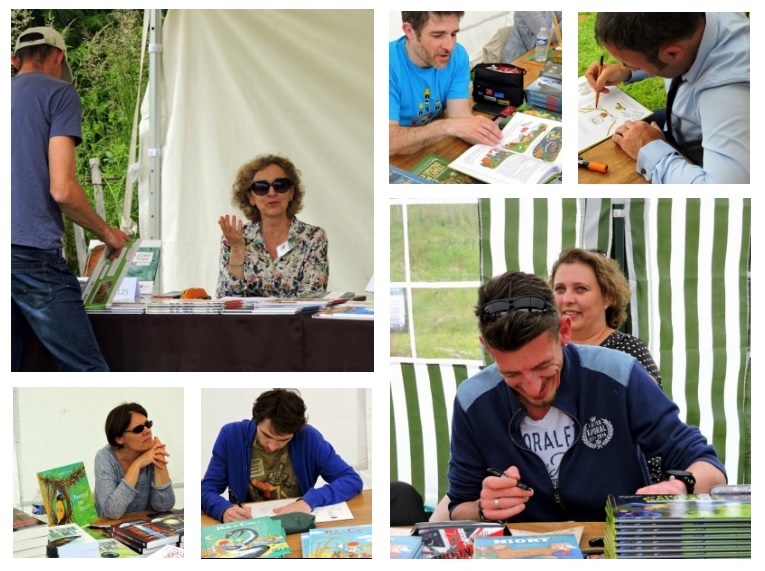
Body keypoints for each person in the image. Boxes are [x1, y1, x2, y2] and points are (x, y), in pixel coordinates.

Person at [446, 271, 726, 523]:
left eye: (543, 367)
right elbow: (458, 506)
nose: (532, 387)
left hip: (615, 547)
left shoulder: (619, 374)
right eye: (511, 375)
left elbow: (708, 466)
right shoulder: (473, 400)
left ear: (564, 331)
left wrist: (679, 486)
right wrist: (485, 508)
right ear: (486, 348)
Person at [11, 27, 130, 371]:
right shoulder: (60, 93)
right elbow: (62, 189)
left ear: (15, 60)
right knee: (88, 371)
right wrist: (108, 233)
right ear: (59, 56)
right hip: (30, 251)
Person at [585, 13, 749, 184]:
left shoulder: (730, 96)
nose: (626, 66)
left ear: (672, 54)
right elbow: (673, 60)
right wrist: (628, 71)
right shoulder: (697, 24)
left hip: (700, 155)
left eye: (631, 64)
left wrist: (651, 150)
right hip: (679, 121)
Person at [550, 247, 663, 483]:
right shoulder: (543, 353)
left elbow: (657, 428)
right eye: (560, 288)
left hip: (622, 488)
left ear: (608, 297)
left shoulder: (629, 351)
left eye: (580, 288)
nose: (567, 298)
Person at [201, 389, 363, 523]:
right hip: (248, 524)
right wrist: (223, 509)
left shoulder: (308, 437)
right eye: (266, 435)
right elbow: (206, 489)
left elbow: (351, 480)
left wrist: (310, 500)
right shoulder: (231, 436)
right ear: (256, 420)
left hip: (295, 524)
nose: (272, 446)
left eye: (283, 440)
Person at [389, 11, 502, 156]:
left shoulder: (458, 56)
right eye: (437, 35)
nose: (450, 46)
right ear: (410, 31)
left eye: (453, 34)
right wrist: (446, 126)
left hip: (431, 146)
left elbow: (460, 117)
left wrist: (501, 143)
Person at [216, 154, 328, 298]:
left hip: (295, 321)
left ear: (291, 193)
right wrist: (237, 250)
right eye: (261, 188)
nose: (272, 193)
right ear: (251, 198)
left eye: (280, 186)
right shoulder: (235, 238)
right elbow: (226, 301)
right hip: (246, 321)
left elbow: (312, 298)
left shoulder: (313, 238)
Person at [94, 403, 175, 519]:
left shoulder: (151, 452)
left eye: (148, 424)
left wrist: (159, 459)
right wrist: (137, 465)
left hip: (146, 527)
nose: (147, 431)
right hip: (110, 530)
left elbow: (164, 506)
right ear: (119, 438)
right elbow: (112, 512)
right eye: (139, 429)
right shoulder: (105, 457)